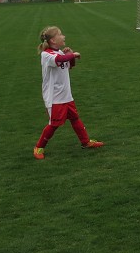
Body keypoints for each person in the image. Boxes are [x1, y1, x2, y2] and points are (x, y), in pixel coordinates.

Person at [33, 26, 104, 160]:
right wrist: (73, 54)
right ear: (53, 40)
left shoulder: (59, 52)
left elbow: (69, 66)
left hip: (66, 95)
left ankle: (86, 142)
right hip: (55, 98)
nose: (64, 36)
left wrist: (69, 56)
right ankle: (38, 147)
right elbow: (59, 60)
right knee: (54, 124)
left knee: (75, 118)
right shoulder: (46, 55)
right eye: (61, 34)